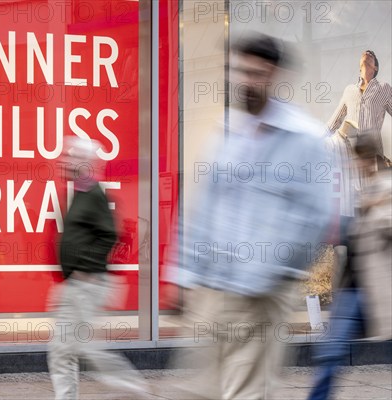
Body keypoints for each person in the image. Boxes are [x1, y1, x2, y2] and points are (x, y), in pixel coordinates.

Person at [163, 34, 333, 399]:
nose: (245, 81)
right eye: (239, 71)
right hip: (214, 290)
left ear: (274, 75)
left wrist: (271, 269)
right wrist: (184, 275)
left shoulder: (303, 138)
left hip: (261, 294)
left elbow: (317, 218)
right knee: (199, 389)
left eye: (256, 73)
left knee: (245, 391)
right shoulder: (226, 134)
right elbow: (201, 209)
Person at [46, 137, 148, 399]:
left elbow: (110, 234)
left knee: (88, 347)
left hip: (87, 284)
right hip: (75, 285)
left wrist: (85, 268)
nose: (64, 161)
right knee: (61, 348)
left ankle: (132, 388)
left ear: (85, 163)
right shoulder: (78, 193)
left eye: (70, 157)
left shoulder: (94, 193)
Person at [307, 135, 392, 400]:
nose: (354, 163)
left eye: (358, 158)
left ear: (369, 159)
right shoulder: (362, 190)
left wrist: (373, 208)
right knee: (330, 352)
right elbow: (352, 233)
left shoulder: (386, 186)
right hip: (352, 286)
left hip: (376, 287)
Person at [327, 50, 392, 160]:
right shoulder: (349, 90)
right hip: (351, 158)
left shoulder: (384, 88)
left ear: (375, 68)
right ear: (360, 67)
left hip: (374, 158)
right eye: (364, 54)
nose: (367, 53)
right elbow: (333, 123)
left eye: (371, 55)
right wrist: (315, 140)